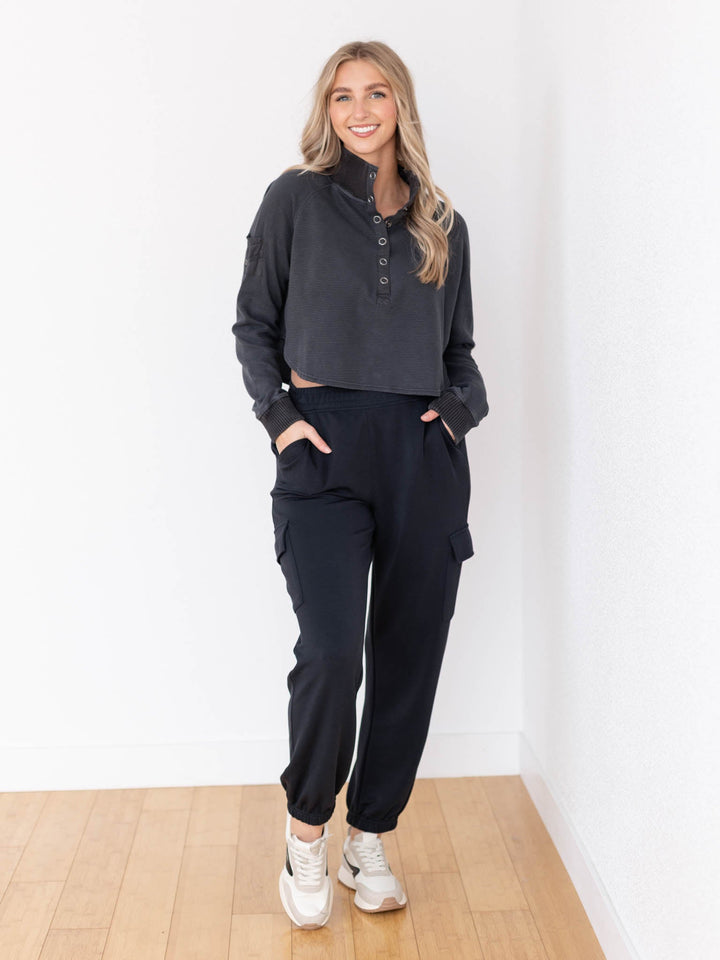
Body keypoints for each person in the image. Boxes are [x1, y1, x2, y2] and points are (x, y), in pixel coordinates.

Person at [232, 39, 489, 930]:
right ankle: (307, 832)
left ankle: (367, 835)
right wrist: (280, 418)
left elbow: (461, 354)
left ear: (399, 104)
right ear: (327, 110)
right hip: (324, 452)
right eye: (343, 96)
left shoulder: (443, 221)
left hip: (422, 455)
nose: (360, 110)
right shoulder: (294, 200)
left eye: (376, 93)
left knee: (409, 658)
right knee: (333, 651)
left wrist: (458, 414)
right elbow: (254, 324)